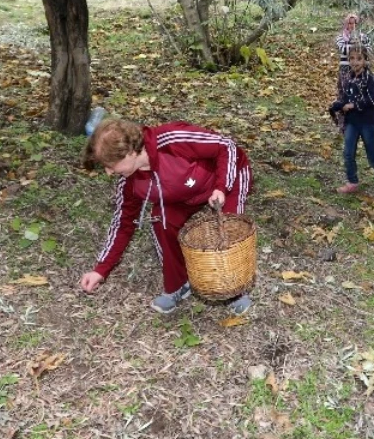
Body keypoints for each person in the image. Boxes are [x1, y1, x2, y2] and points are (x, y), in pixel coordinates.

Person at [78, 118, 253, 316]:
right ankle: (179, 284)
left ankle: (236, 290)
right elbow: (123, 224)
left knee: (229, 229)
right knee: (160, 220)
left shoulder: (172, 140)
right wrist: (101, 269)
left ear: (131, 153)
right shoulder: (128, 182)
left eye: (110, 165)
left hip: (223, 178)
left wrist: (222, 187)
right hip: (181, 194)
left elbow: (226, 146)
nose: (109, 172)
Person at [330, 47, 374, 196]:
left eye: (359, 58)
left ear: (365, 60)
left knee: (372, 155)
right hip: (352, 122)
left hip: (367, 122)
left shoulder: (370, 78)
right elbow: (344, 97)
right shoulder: (348, 78)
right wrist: (338, 105)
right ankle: (352, 182)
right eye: (352, 58)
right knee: (348, 153)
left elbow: (372, 99)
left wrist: (354, 105)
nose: (355, 62)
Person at [334, 12, 372, 99]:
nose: (353, 25)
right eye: (350, 23)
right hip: (346, 68)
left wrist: (358, 47)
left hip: (362, 68)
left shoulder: (364, 37)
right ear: (346, 24)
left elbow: (369, 50)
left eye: (355, 23)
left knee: (362, 91)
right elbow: (343, 49)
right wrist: (358, 46)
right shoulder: (341, 37)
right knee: (343, 90)